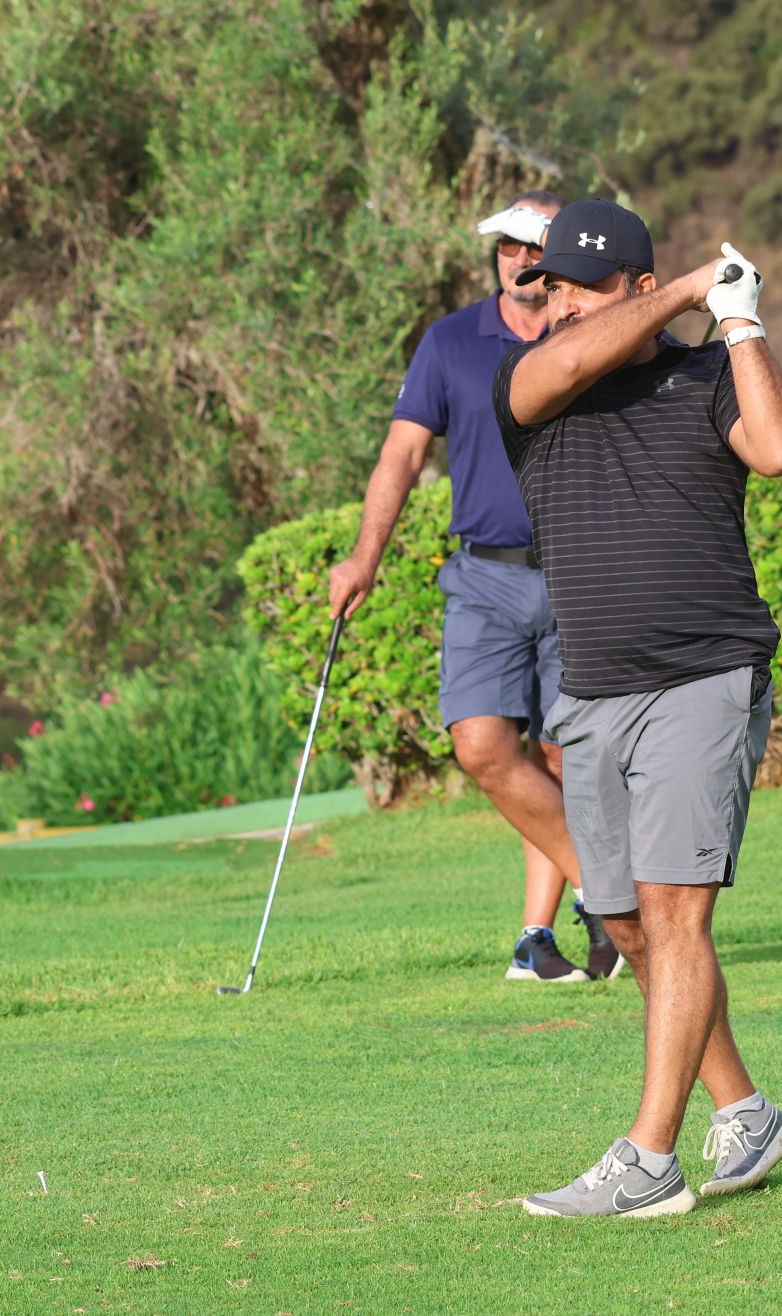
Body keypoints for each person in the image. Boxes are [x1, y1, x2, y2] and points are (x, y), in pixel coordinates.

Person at [494, 199, 782, 1218]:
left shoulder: (709, 376)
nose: (557, 309)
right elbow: (559, 365)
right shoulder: (533, 392)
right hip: (591, 692)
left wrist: (739, 322)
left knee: (676, 915)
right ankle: (746, 1110)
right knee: (624, 920)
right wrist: (679, 291)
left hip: (704, 678)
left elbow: (778, 449)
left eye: (580, 291)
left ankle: (648, 1158)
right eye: (550, 292)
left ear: (629, 290)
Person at [327, 190, 619, 984]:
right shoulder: (452, 341)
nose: (521, 261)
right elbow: (400, 454)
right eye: (509, 248)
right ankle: (605, 897)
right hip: (484, 578)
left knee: (563, 760)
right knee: (483, 747)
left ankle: (537, 934)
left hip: (575, 572)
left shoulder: (593, 335)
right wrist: (365, 555)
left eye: (536, 249)